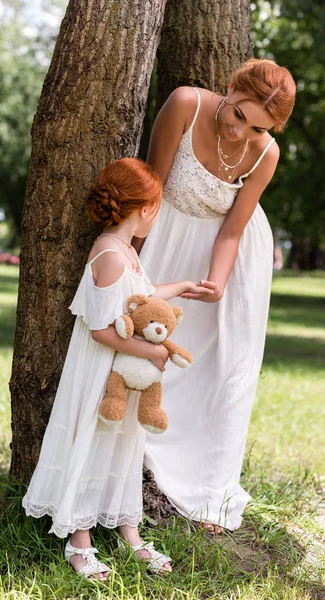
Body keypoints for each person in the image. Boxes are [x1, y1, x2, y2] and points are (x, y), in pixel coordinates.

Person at [22, 157, 213, 580]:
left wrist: (180, 286)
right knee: (92, 441)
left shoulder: (126, 250)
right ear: (144, 209)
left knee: (122, 443)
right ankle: (79, 540)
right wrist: (150, 354)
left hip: (123, 374)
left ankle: (129, 531)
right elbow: (100, 330)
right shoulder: (108, 254)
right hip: (101, 371)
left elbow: (140, 298)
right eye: (157, 208)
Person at [136, 58, 296, 534]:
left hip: (228, 256)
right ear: (231, 88)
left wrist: (218, 281)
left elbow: (233, 228)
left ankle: (210, 489)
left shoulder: (265, 153)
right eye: (240, 115)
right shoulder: (186, 103)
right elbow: (152, 189)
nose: (240, 133)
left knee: (224, 367)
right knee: (147, 349)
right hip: (165, 238)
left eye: (258, 128)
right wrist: (131, 262)